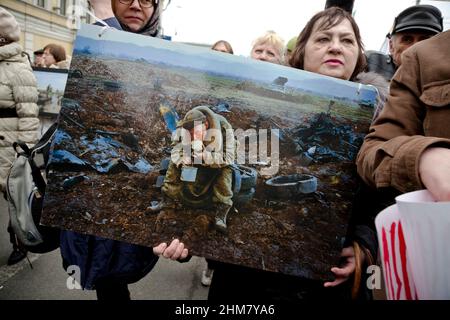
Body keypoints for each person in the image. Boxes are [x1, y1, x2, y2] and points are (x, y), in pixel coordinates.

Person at [204, 7, 387, 301]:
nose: (336, 47)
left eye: (347, 40)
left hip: (329, 282)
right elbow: (227, 175)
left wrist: (364, 247)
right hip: (248, 280)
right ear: (301, 51)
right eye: (323, 38)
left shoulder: (383, 119)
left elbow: (388, 198)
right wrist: (191, 235)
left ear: (358, 55)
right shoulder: (260, 105)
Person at [59, 0, 187, 300]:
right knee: (100, 274)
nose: (135, 4)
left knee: (116, 272)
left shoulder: (166, 57)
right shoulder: (93, 46)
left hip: (138, 195)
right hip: (93, 186)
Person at [357, 30, 450, 203]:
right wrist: (423, 156)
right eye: (406, 39)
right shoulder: (421, 58)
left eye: (347, 40)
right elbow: (374, 150)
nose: (335, 48)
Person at [150, 106, 236, 233]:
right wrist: (182, 158)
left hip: (216, 158)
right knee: (173, 163)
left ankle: (221, 212)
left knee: (226, 170)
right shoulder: (182, 127)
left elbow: (229, 157)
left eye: (197, 133)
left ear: (206, 124)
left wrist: (206, 157)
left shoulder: (224, 127)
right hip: (192, 156)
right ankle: (167, 201)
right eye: (190, 134)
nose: (194, 137)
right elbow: (175, 148)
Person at [0, 7, 40, 265]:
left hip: (8, 143)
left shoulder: (18, 68)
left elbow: (29, 115)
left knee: (14, 197)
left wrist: (25, 152)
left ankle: (20, 241)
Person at [366, 4, 443, 81]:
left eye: (424, 40)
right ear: (391, 46)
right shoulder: (370, 63)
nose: (415, 47)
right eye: (407, 40)